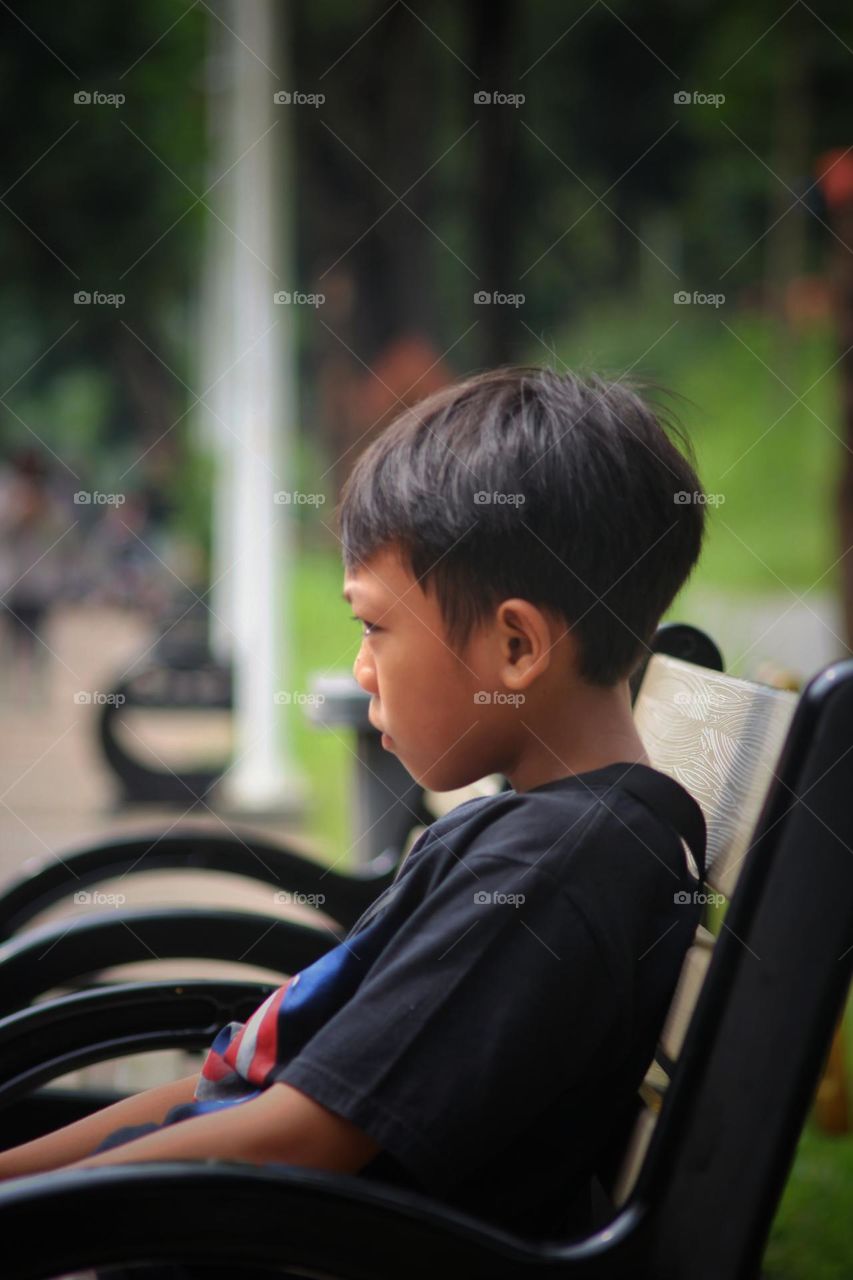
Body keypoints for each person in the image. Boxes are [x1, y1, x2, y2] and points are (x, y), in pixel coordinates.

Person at [0, 367, 708, 1271]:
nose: (361, 669)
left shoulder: (542, 874)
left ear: (515, 646)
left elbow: (294, 1138)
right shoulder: (544, 841)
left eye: (374, 628)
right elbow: (252, 1094)